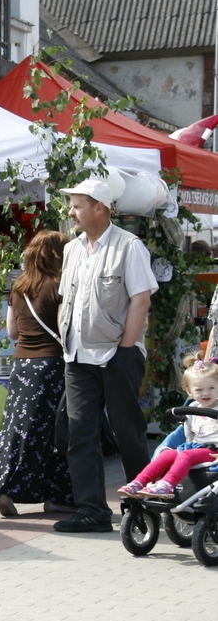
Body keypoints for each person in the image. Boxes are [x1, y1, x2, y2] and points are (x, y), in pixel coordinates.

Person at [54, 177, 158, 533]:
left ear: (100, 207)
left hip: (117, 353)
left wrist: (125, 351)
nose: (71, 211)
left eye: (78, 204)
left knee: (128, 433)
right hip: (78, 356)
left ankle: (143, 508)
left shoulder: (129, 246)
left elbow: (141, 300)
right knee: (79, 432)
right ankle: (92, 511)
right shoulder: (72, 249)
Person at [0, 231, 75, 516]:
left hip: (22, 364)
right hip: (51, 366)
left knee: (17, 428)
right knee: (56, 433)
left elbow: (12, 332)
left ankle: (7, 488)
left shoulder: (19, 288)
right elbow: (65, 329)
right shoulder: (58, 286)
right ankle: (56, 495)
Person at [118, 360, 218, 500]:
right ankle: (138, 483)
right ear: (189, 391)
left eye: (211, 388)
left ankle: (166, 484)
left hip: (214, 451)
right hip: (197, 447)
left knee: (186, 455)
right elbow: (188, 432)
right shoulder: (193, 408)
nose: (205, 393)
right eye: (199, 390)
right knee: (166, 454)